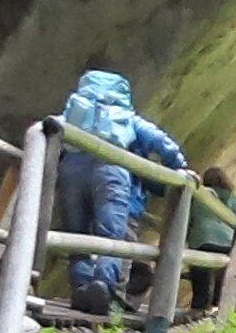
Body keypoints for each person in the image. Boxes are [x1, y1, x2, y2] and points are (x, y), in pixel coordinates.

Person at [57, 66, 183, 314]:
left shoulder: (74, 111)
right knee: (112, 234)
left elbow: (49, 128)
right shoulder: (125, 115)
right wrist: (179, 165)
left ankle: (81, 286)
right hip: (110, 169)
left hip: (71, 170)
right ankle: (104, 285)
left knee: (77, 233)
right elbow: (160, 141)